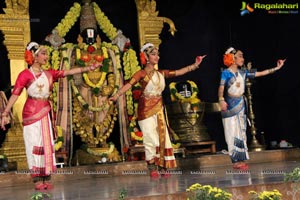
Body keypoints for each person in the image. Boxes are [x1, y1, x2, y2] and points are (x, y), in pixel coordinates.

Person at [0, 41, 100, 190]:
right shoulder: (25, 74)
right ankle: (37, 179)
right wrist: (5, 112)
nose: (46, 56)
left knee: (47, 145)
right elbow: (15, 94)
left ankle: (46, 176)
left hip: (45, 112)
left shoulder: (49, 74)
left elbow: (67, 72)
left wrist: (88, 68)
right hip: (31, 114)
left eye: (46, 53)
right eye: (43, 53)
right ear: (34, 56)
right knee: (34, 145)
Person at [110, 42, 206, 178]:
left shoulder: (161, 73)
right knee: (150, 138)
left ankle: (163, 166)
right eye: (154, 54)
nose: (157, 57)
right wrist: (116, 96)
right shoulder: (141, 74)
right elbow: (129, 85)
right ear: (146, 57)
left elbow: (179, 72)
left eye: (158, 54)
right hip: (145, 110)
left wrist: (195, 65)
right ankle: (152, 166)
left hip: (159, 109)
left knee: (162, 137)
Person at [218, 47, 285, 170]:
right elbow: (221, 88)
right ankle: (235, 161)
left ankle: (241, 159)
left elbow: (260, 73)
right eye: (240, 56)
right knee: (231, 132)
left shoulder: (243, 73)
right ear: (232, 58)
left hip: (240, 105)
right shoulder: (226, 73)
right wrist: (221, 100)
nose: (243, 59)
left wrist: (277, 68)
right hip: (229, 106)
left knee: (241, 132)